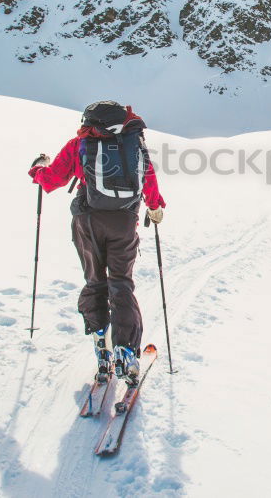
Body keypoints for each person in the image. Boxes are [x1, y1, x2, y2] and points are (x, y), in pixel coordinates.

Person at [28, 100, 165, 385]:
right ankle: (126, 351)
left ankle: (100, 340)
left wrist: (38, 169)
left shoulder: (80, 144)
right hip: (124, 222)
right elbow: (148, 180)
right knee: (121, 283)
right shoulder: (134, 143)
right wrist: (155, 207)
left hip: (87, 221)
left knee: (94, 281)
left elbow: (52, 180)